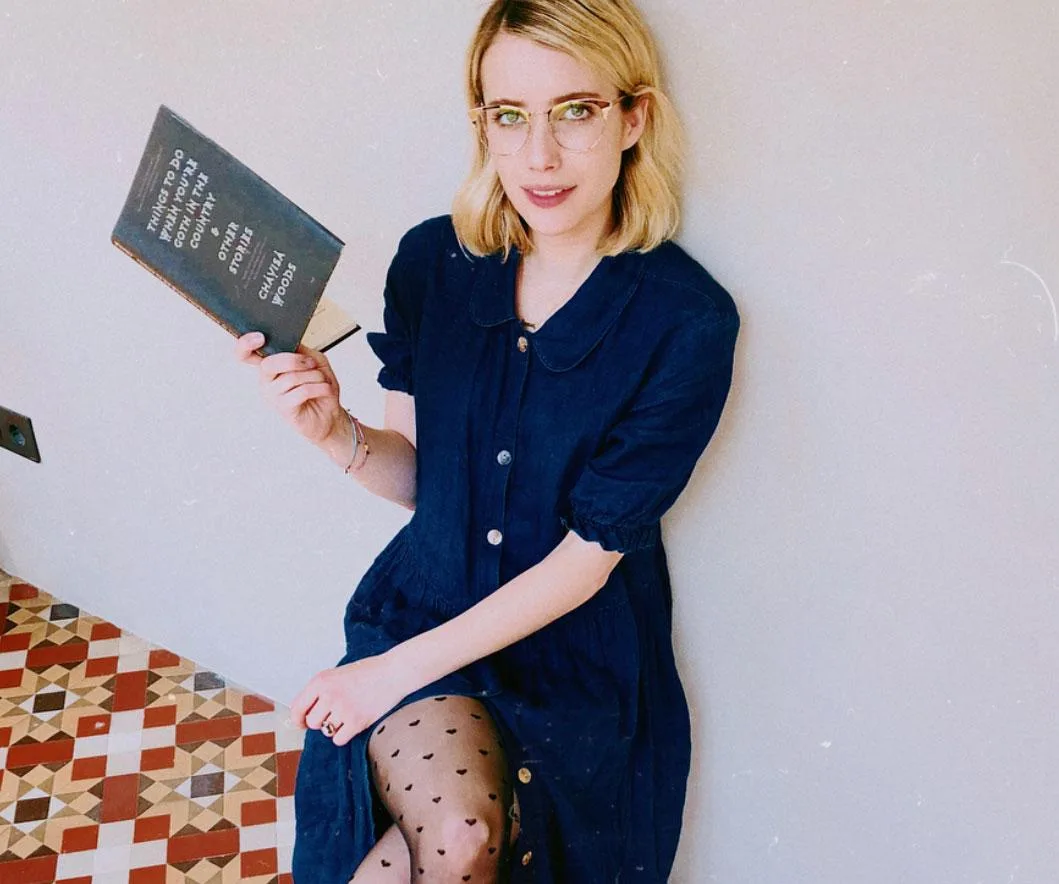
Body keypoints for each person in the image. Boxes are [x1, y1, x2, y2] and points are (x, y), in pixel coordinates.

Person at [235, 1, 739, 880]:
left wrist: (384, 676)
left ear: (633, 117)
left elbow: (588, 560)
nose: (537, 157)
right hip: (429, 603)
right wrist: (333, 432)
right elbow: (421, 481)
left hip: (573, 657)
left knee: (424, 859)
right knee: (461, 838)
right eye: (509, 116)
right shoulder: (435, 263)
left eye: (574, 111)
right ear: (482, 124)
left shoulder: (684, 322)